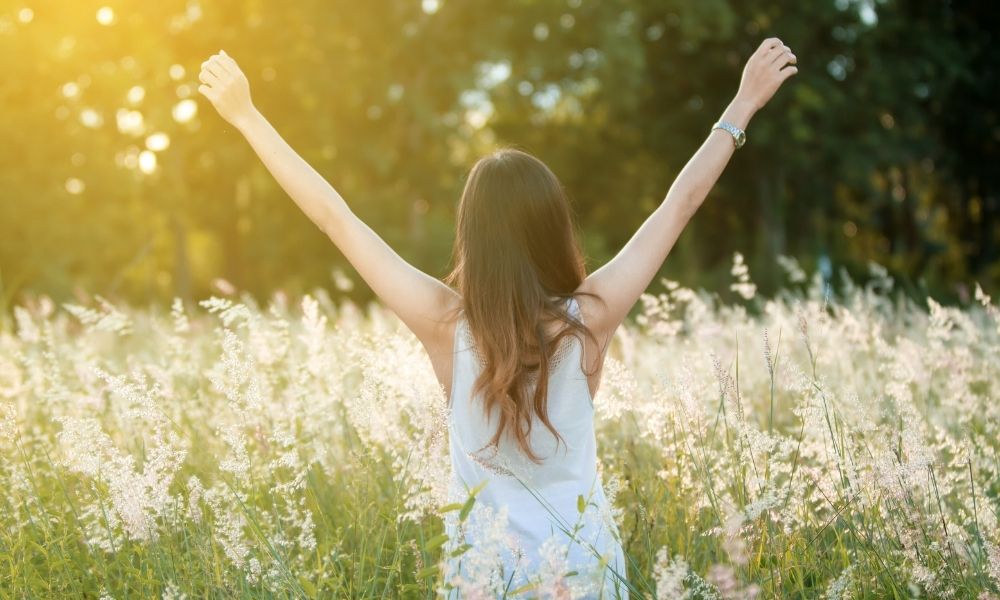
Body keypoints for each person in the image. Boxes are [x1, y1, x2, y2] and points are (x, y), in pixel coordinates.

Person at [198, 37, 797, 598]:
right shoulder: (589, 317)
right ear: (553, 228)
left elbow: (336, 218)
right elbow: (680, 204)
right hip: (585, 575)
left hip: (484, 580)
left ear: (471, 237)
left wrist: (248, 116)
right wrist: (741, 104)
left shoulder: (442, 323)